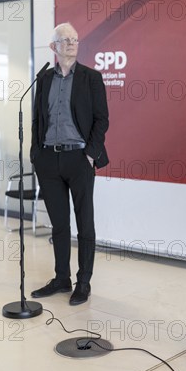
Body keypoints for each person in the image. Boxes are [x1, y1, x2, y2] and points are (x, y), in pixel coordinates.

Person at [30, 22, 109, 306]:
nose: (72, 43)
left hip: (79, 158)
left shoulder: (91, 78)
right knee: (59, 225)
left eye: (75, 39)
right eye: (65, 40)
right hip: (49, 159)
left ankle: (83, 282)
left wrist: (90, 153)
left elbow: (102, 119)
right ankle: (61, 278)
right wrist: (36, 154)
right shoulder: (44, 79)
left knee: (85, 223)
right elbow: (38, 119)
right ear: (54, 47)